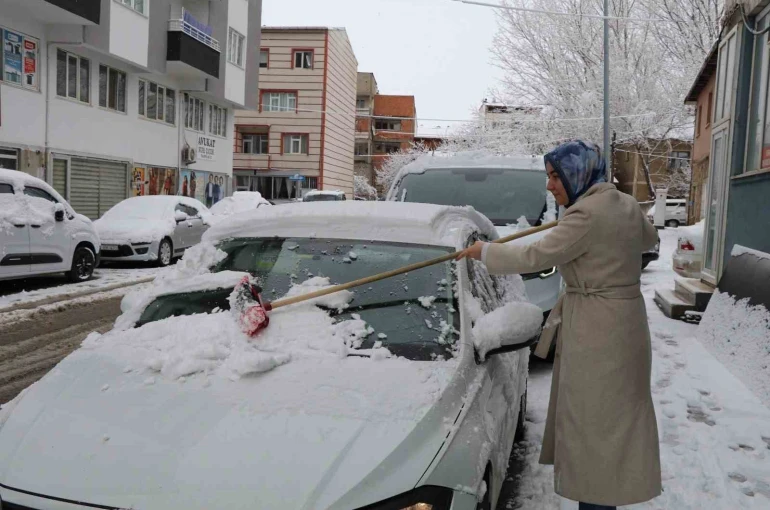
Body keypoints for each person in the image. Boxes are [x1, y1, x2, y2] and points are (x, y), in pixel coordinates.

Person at [457, 140, 661, 510]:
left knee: (594, 427)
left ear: (578, 174)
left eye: (555, 176)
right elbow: (650, 238)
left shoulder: (586, 215)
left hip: (599, 330)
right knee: (611, 423)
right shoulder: (623, 205)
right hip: (625, 323)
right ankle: (601, 500)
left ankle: (597, 504)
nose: (550, 186)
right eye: (548, 176)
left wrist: (485, 253)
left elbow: (536, 254)